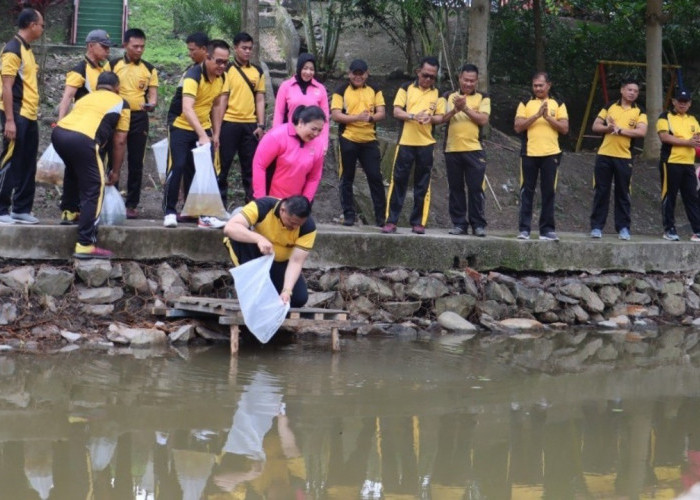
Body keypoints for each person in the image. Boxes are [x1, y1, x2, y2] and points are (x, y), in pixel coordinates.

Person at [51, 71, 129, 259]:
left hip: (59, 135)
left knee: (73, 169)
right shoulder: (121, 103)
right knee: (95, 187)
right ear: (117, 87)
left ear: (97, 86)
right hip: (83, 140)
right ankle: (85, 243)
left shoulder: (85, 98)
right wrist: (116, 171)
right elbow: (119, 141)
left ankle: (69, 211)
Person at [163, 39, 229, 229]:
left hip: (204, 125)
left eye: (225, 62)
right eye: (218, 61)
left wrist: (215, 133)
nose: (222, 66)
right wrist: (202, 135)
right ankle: (169, 211)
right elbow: (187, 109)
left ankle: (203, 214)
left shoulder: (221, 78)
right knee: (179, 165)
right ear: (207, 57)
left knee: (205, 169)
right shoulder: (193, 76)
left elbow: (216, 105)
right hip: (181, 125)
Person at [56, 29, 115, 226]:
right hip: (81, 130)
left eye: (108, 47)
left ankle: (86, 210)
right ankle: (69, 209)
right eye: (103, 47)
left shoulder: (103, 70)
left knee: (93, 171)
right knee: (75, 171)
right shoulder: (79, 70)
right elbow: (66, 98)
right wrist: (60, 121)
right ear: (91, 46)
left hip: (99, 129)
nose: (107, 51)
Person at [382, 56, 445, 235]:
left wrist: (430, 118)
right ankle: (391, 220)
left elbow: (440, 117)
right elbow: (396, 111)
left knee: (423, 184)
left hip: (426, 144)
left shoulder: (438, 93)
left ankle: (418, 222)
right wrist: (413, 116)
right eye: (425, 75)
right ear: (418, 72)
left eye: (432, 77)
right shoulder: (405, 88)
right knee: (398, 181)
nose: (428, 80)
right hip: (406, 142)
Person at [223, 195, 315, 308]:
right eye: (292, 222)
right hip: (255, 254)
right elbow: (230, 228)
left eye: (299, 224)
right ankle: (252, 286)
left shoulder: (308, 227)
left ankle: (269, 294)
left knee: (299, 299)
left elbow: (296, 261)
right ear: (283, 210)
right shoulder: (263, 206)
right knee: (238, 235)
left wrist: (287, 290)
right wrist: (259, 239)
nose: (295, 227)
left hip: (278, 262)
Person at [330, 58, 387, 227]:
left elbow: (382, 113)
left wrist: (369, 117)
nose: (358, 77)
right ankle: (349, 214)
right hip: (348, 138)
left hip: (369, 140)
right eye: (355, 74)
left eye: (361, 74)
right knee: (347, 177)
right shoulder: (341, 90)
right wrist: (356, 117)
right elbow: (336, 115)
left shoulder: (375, 89)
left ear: (366, 74)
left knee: (375, 177)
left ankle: (381, 217)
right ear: (349, 74)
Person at [0, 8, 44, 225]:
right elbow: (6, 87)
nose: (43, 29)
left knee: (28, 162)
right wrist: (9, 119)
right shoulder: (12, 49)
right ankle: (1, 208)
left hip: (30, 114)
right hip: (15, 113)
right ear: (31, 25)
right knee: (10, 160)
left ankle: (21, 208)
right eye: (41, 25)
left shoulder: (28, 50)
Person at [589, 78, 647, 240]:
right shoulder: (609, 106)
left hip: (624, 157)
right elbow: (595, 126)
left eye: (635, 91)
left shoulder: (639, 111)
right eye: (629, 90)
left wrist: (621, 130)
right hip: (605, 155)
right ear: (622, 90)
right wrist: (608, 128)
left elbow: (641, 132)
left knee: (623, 193)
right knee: (601, 191)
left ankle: (623, 227)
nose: (632, 93)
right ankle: (596, 227)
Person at [514, 71, 569, 241]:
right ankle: (524, 229)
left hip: (551, 153)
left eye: (541, 85)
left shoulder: (558, 104)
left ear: (548, 85)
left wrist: (547, 117)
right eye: (535, 85)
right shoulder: (525, 103)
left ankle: (547, 230)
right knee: (526, 192)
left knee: (548, 192)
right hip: (529, 153)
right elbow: (518, 127)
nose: (538, 88)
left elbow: (564, 128)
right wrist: (537, 115)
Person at [110, 28, 158, 219]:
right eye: (135, 46)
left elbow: (153, 96)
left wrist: (151, 104)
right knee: (113, 157)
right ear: (125, 46)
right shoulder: (112, 65)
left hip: (139, 117)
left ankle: (132, 204)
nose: (139, 50)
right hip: (116, 114)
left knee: (136, 161)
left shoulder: (149, 68)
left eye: (142, 46)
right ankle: (110, 198)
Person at [441, 63, 490, 237]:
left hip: (474, 149)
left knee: (476, 188)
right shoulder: (448, 96)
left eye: (472, 81)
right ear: (459, 78)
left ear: (477, 81)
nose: (468, 84)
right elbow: (440, 118)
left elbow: (483, 120)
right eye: (465, 80)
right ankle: (459, 224)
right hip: (452, 148)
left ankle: (478, 224)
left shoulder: (483, 97)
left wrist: (466, 108)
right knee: (455, 188)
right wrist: (455, 109)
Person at [218, 32, 266, 206]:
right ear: (235, 48)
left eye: (250, 49)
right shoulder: (226, 70)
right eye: (243, 48)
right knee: (223, 166)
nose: (247, 52)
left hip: (250, 125)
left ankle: (251, 204)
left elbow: (260, 98)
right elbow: (222, 98)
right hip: (229, 123)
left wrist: (261, 124)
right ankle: (220, 204)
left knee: (251, 168)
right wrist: (219, 126)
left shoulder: (257, 71)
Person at [252, 105, 325, 201]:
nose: (316, 134)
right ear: (300, 122)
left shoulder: (318, 145)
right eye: (313, 129)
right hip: (269, 198)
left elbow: (314, 177)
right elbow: (259, 165)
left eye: (320, 130)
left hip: (294, 205)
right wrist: (260, 200)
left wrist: (305, 202)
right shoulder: (277, 136)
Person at [656, 88, 700, 241]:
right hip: (671, 162)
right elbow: (664, 137)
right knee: (670, 196)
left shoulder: (693, 120)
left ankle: (697, 230)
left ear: (689, 104)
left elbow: (697, 139)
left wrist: (694, 142)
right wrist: (686, 142)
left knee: (692, 197)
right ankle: (669, 229)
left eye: (685, 102)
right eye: (680, 101)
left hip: (688, 163)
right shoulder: (664, 117)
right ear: (674, 101)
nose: (682, 104)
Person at [273, 53, 329, 153]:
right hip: (290, 136)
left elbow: (325, 118)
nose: (308, 72)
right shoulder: (286, 86)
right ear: (299, 68)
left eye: (311, 69)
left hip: (312, 139)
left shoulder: (320, 89)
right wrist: (275, 137)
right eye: (305, 68)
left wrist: (324, 143)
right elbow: (279, 113)